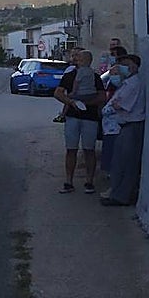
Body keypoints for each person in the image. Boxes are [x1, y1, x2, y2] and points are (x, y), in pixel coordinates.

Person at [54, 50, 105, 194]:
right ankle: (68, 181)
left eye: (79, 57)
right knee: (71, 149)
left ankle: (89, 181)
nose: (76, 58)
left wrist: (86, 103)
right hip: (73, 116)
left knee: (89, 150)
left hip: (90, 117)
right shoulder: (69, 76)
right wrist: (71, 102)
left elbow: (102, 97)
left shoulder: (95, 77)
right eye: (76, 56)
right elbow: (58, 93)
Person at [102, 55, 146, 207]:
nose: (122, 68)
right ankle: (117, 193)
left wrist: (113, 105)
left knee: (127, 164)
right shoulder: (127, 83)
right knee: (119, 162)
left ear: (134, 66)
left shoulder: (134, 84)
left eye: (126, 65)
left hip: (132, 126)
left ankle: (122, 196)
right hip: (125, 126)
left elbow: (119, 105)